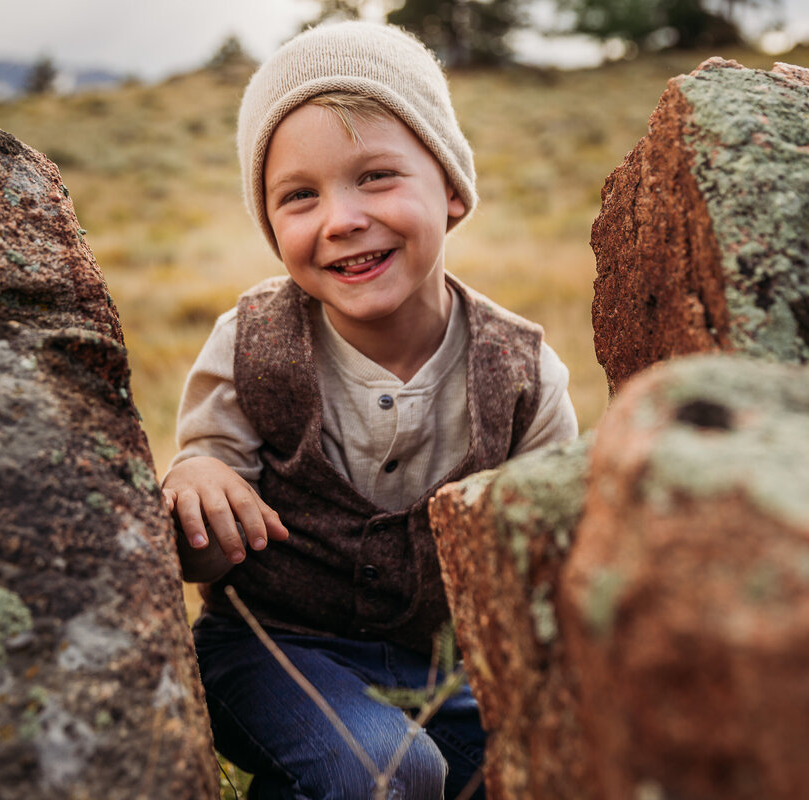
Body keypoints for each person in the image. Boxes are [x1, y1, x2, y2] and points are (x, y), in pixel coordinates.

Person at [160, 20, 579, 800]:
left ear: (451, 188)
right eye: (299, 196)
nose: (341, 218)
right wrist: (201, 486)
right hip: (270, 648)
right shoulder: (252, 341)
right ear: (271, 225)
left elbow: (550, 563)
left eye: (377, 176)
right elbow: (202, 503)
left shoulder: (524, 374)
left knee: (535, 766)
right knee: (387, 770)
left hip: (441, 673)